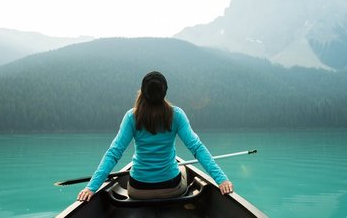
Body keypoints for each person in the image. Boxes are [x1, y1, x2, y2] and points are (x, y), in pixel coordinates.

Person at [77, 71, 234, 202]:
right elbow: (197, 148)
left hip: (138, 190)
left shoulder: (132, 117)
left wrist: (91, 187)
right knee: (183, 168)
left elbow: (114, 153)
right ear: (165, 91)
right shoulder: (176, 115)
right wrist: (221, 179)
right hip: (171, 188)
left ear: (143, 91)